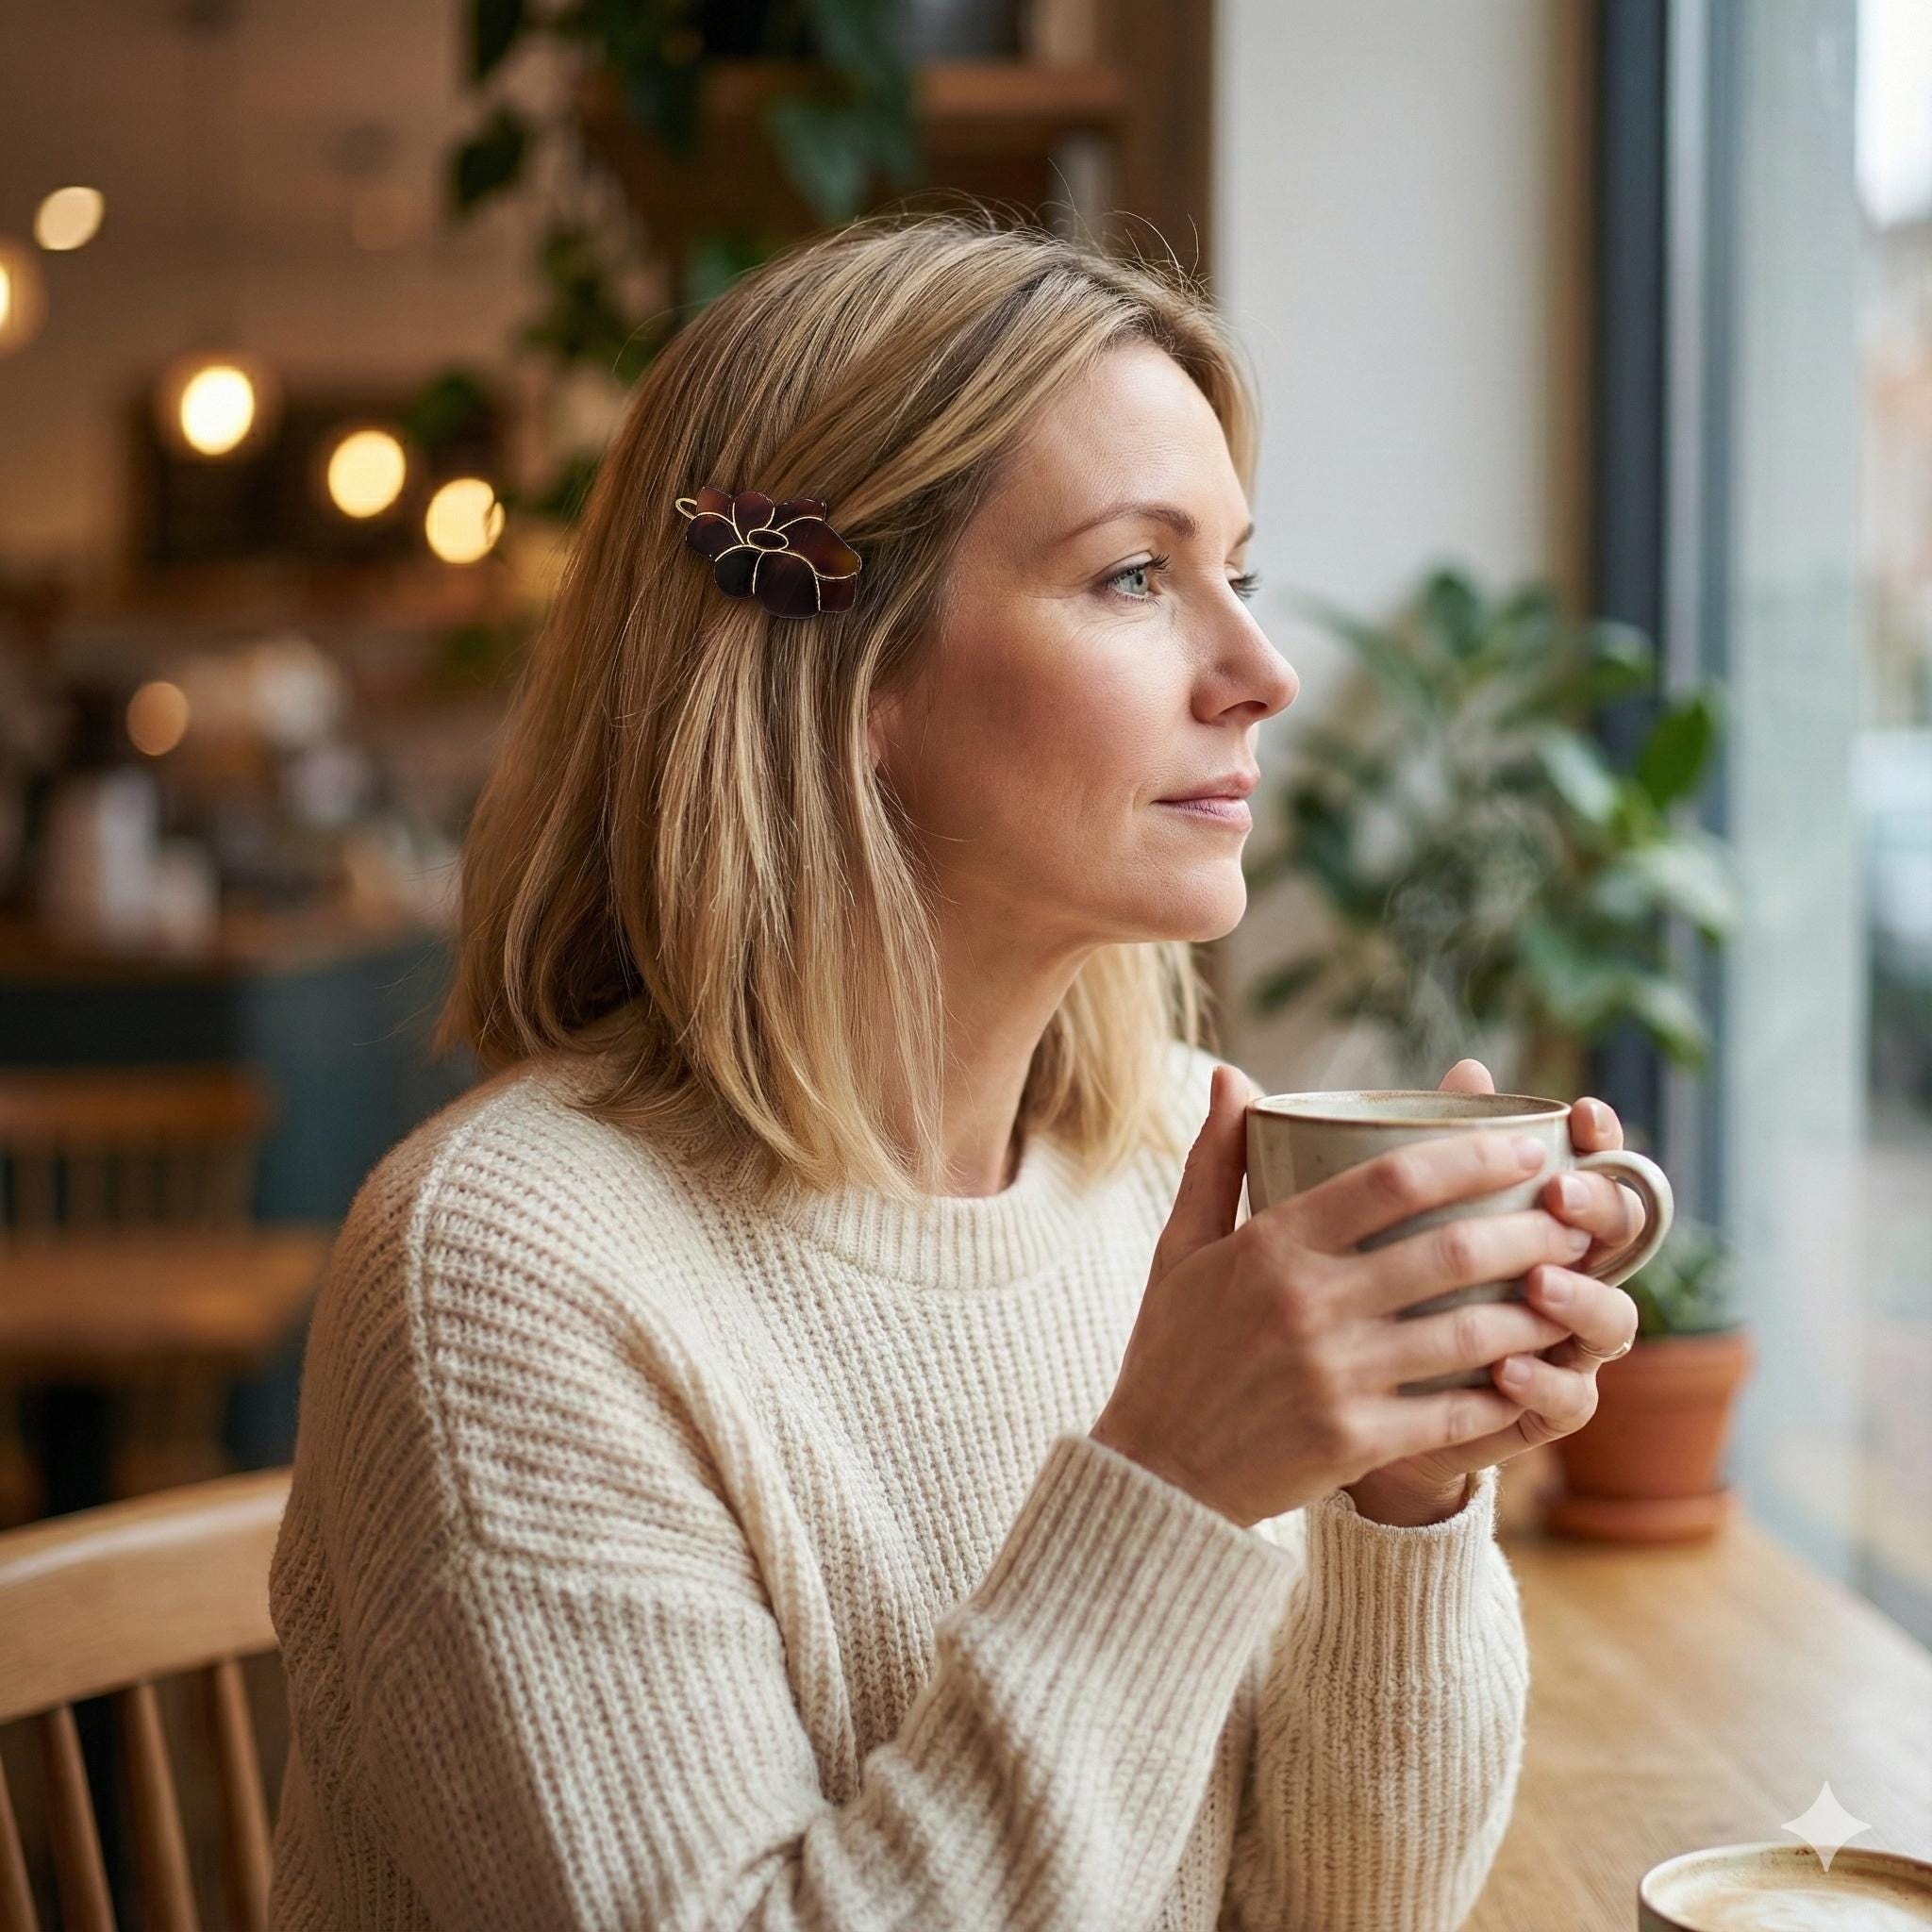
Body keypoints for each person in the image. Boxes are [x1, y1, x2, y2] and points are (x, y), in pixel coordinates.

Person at [267, 210, 1647, 1932]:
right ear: (847, 673)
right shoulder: (509, 1272)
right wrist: (1173, 1485)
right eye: (1138, 576)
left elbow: (1339, 1914)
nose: (1262, 675)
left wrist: (1403, 1492)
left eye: (1241, 573)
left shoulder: (1162, 1164)